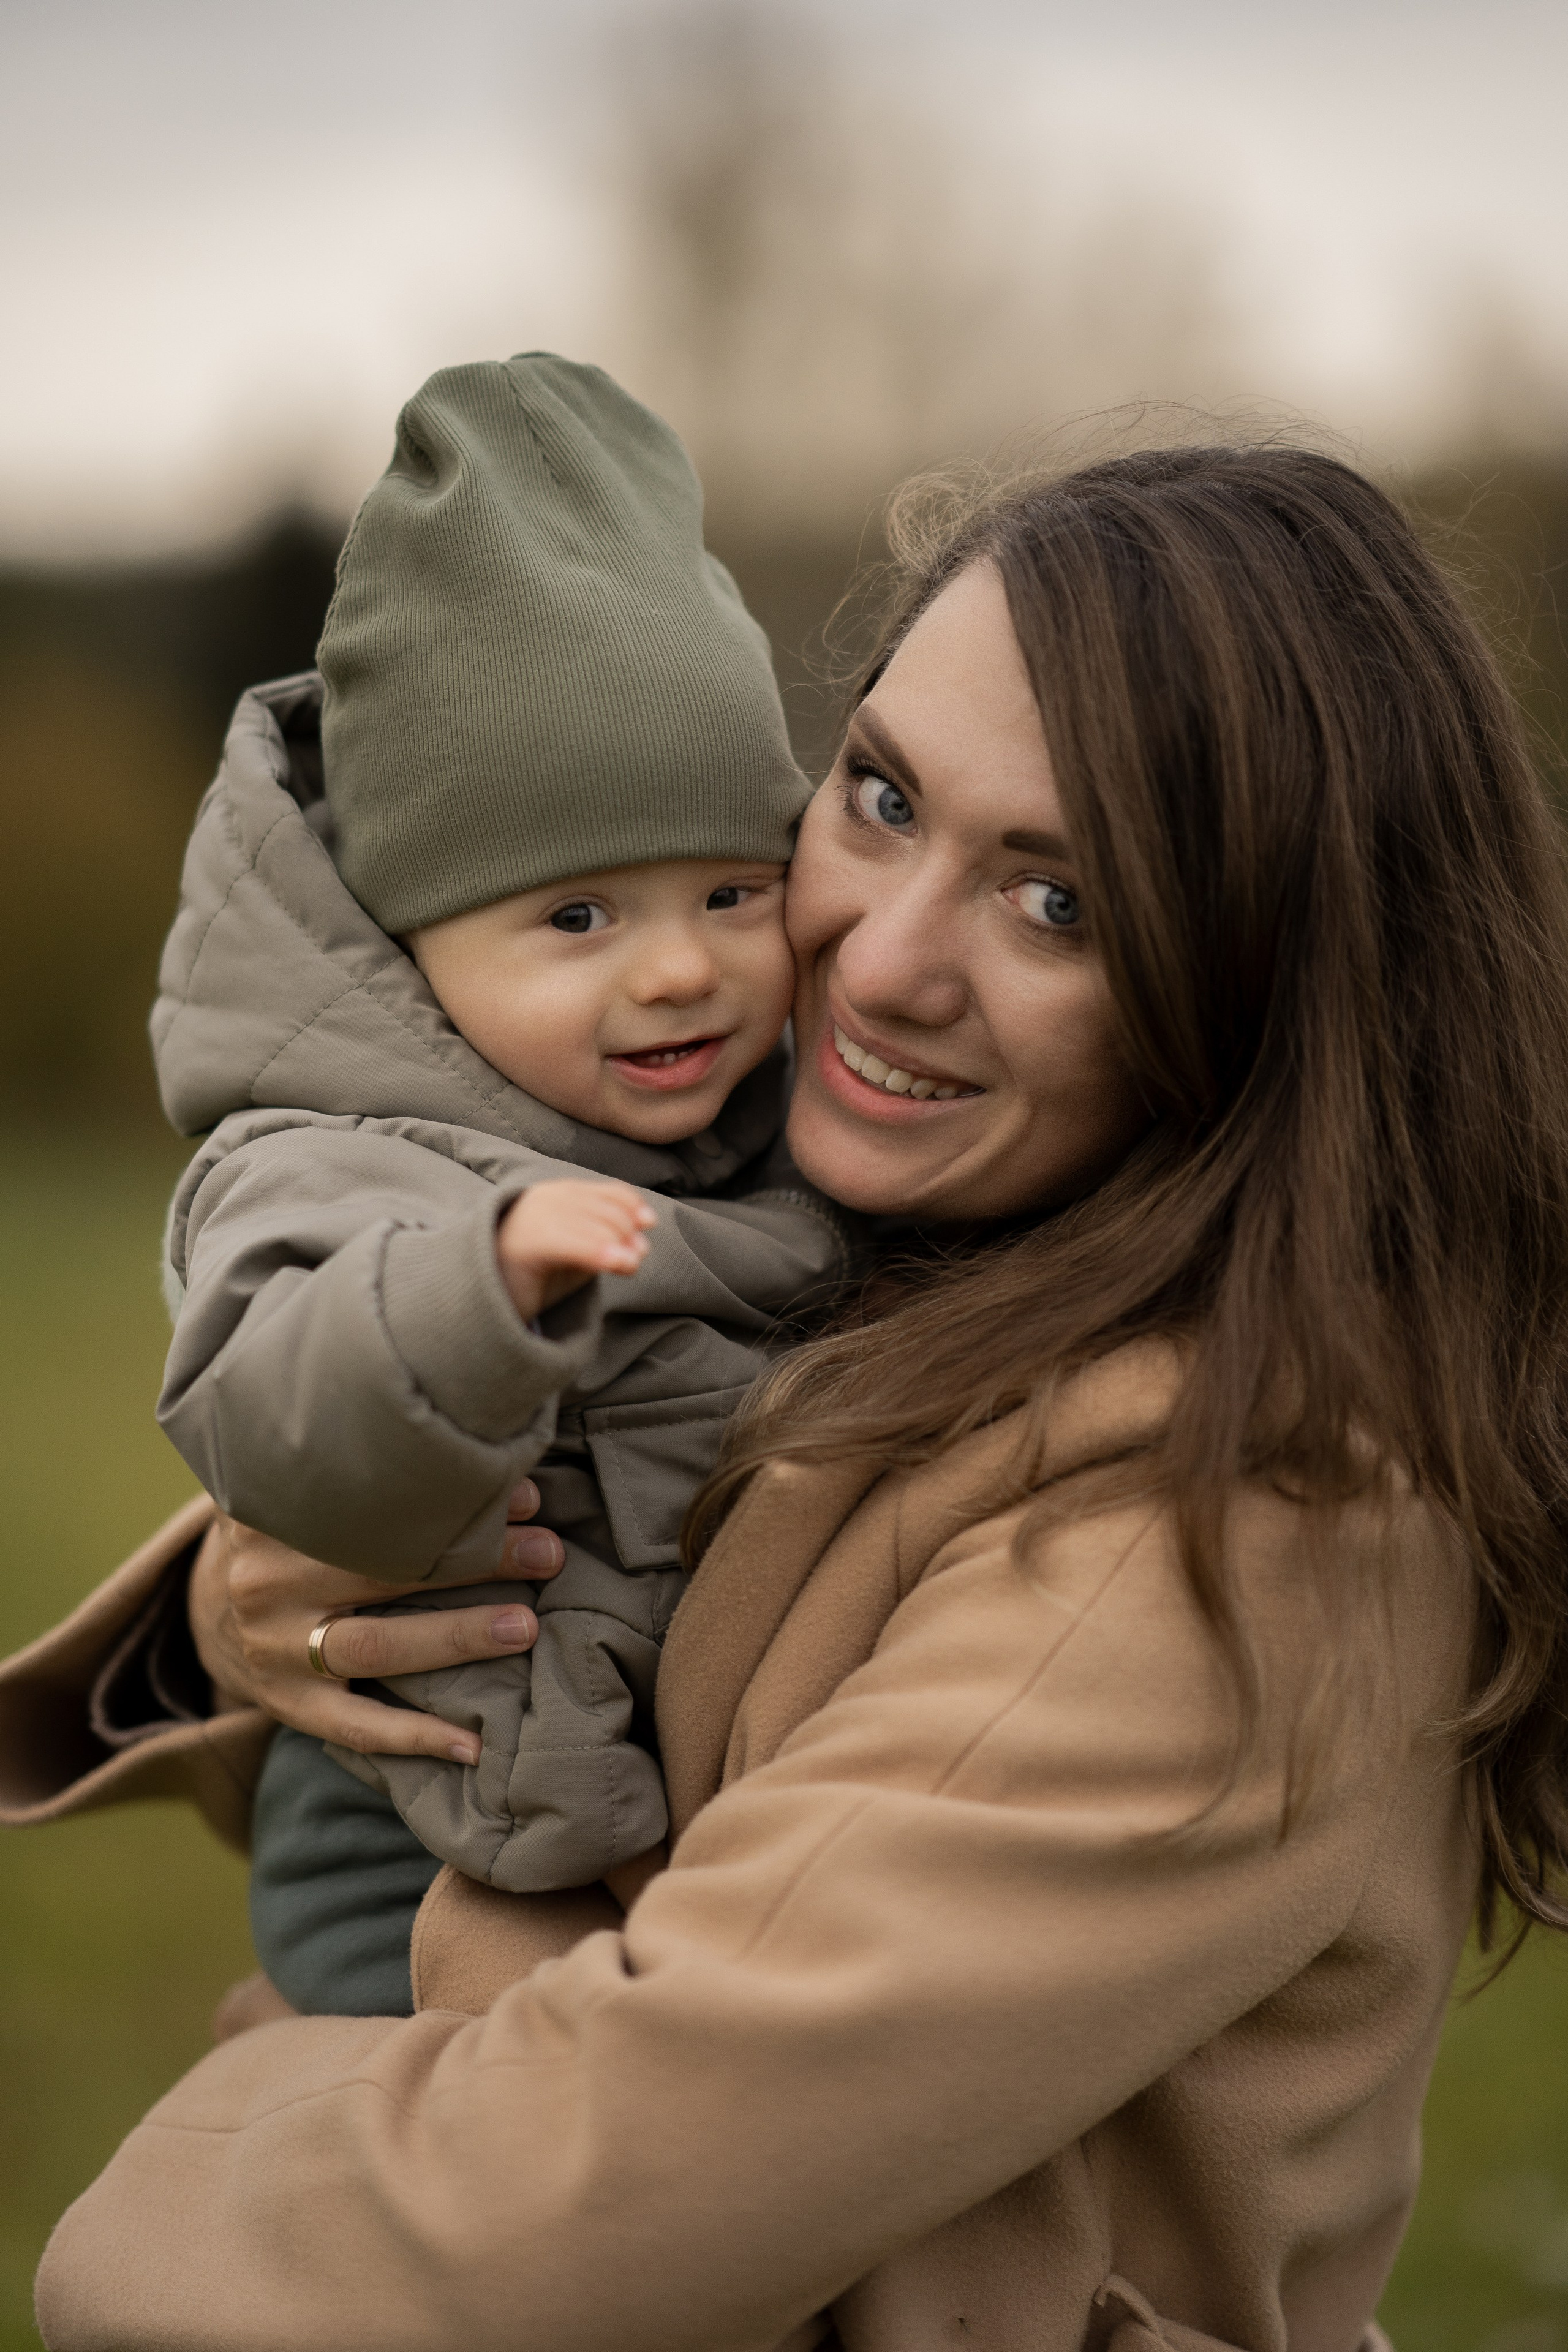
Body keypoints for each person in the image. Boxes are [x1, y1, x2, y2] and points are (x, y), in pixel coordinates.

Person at [10, 440, 1568, 2351]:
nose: (878, 960)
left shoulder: (1243, 1516)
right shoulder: (920, 1239)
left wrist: (215, 2132)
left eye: (1058, 903)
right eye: (884, 796)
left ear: (1267, 996)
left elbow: (543, 2222)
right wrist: (256, 1601)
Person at [141, 352, 854, 2021]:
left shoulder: (775, 1116)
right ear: (411, 939)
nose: (678, 971)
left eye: (732, 892)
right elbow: (270, 1395)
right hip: (410, 1850)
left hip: (640, 1816)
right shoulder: (329, 1154)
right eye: (578, 917)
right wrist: (474, 1288)